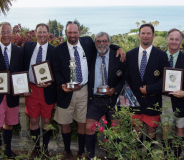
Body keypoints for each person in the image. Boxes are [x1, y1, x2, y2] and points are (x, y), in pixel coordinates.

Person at [51, 21, 125, 159]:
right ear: (65, 33)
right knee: (65, 123)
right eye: (69, 32)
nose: (72, 35)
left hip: (84, 91)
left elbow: (104, 44)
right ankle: (67, 151)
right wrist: (62, 85)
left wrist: (119, 47)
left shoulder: (87, 43)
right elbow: (55, 71)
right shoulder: (58, 50)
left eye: (75, 32)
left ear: (79, 32)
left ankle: (81, 152)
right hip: (66, 92)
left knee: (82, 122)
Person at [125, 24, 169, 152]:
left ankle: (149, 155)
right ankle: (137, 154)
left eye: (148, 33)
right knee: (136, 130)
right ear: (139, 35)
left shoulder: (161, 55)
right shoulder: (130, 54)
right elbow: (126, 79)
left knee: (151, 130)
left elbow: (165, 80)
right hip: (135, 102)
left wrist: (150, 89)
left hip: (153, 101)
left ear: (153, 36)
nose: (145, 36)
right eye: (143, 33)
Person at [85, 32, 126, 159]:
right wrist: (116, 46)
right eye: (98, 41)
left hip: (113, 99)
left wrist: (115, 89)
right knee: (88, 127)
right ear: (95, 43)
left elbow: (125, 78)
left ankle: (113, 155)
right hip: (96, 99)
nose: (102, 44)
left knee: (116, 128)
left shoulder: (118, 57)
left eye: (104, 41)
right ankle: (91, 156)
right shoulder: (91, 56)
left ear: (109, 42)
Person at [22, 23, 57, 159]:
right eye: (39, 32)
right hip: (31, 90)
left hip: (47, 91)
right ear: (35, 34)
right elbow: (19, 64)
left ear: (48, 34)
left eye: (44, 32)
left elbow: (58, 71)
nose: (42, 35)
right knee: (34, 121)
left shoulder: (54, 51)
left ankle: (45, 149)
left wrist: (50, 82)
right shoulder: (27, 47)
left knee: (47, 122)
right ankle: (36, 149)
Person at [0, 22, 23, 159]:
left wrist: (23, 87)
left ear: (12, 34)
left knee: (9, 124)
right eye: (3, 32)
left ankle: (7, 150)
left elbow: (21, 73)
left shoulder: (18, 51)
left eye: (8, 32)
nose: (5, 35)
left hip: (12, 96)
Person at [161, 28, 184, 158]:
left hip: (181, 99)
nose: (174, 41)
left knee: (180, 128)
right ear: (167, 39)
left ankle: (178, 155)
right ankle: (166, 154)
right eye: (171, 38)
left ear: (181, 41)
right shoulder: (159, 57)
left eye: (177, 39)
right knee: (166, 128)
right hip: (164, 98)